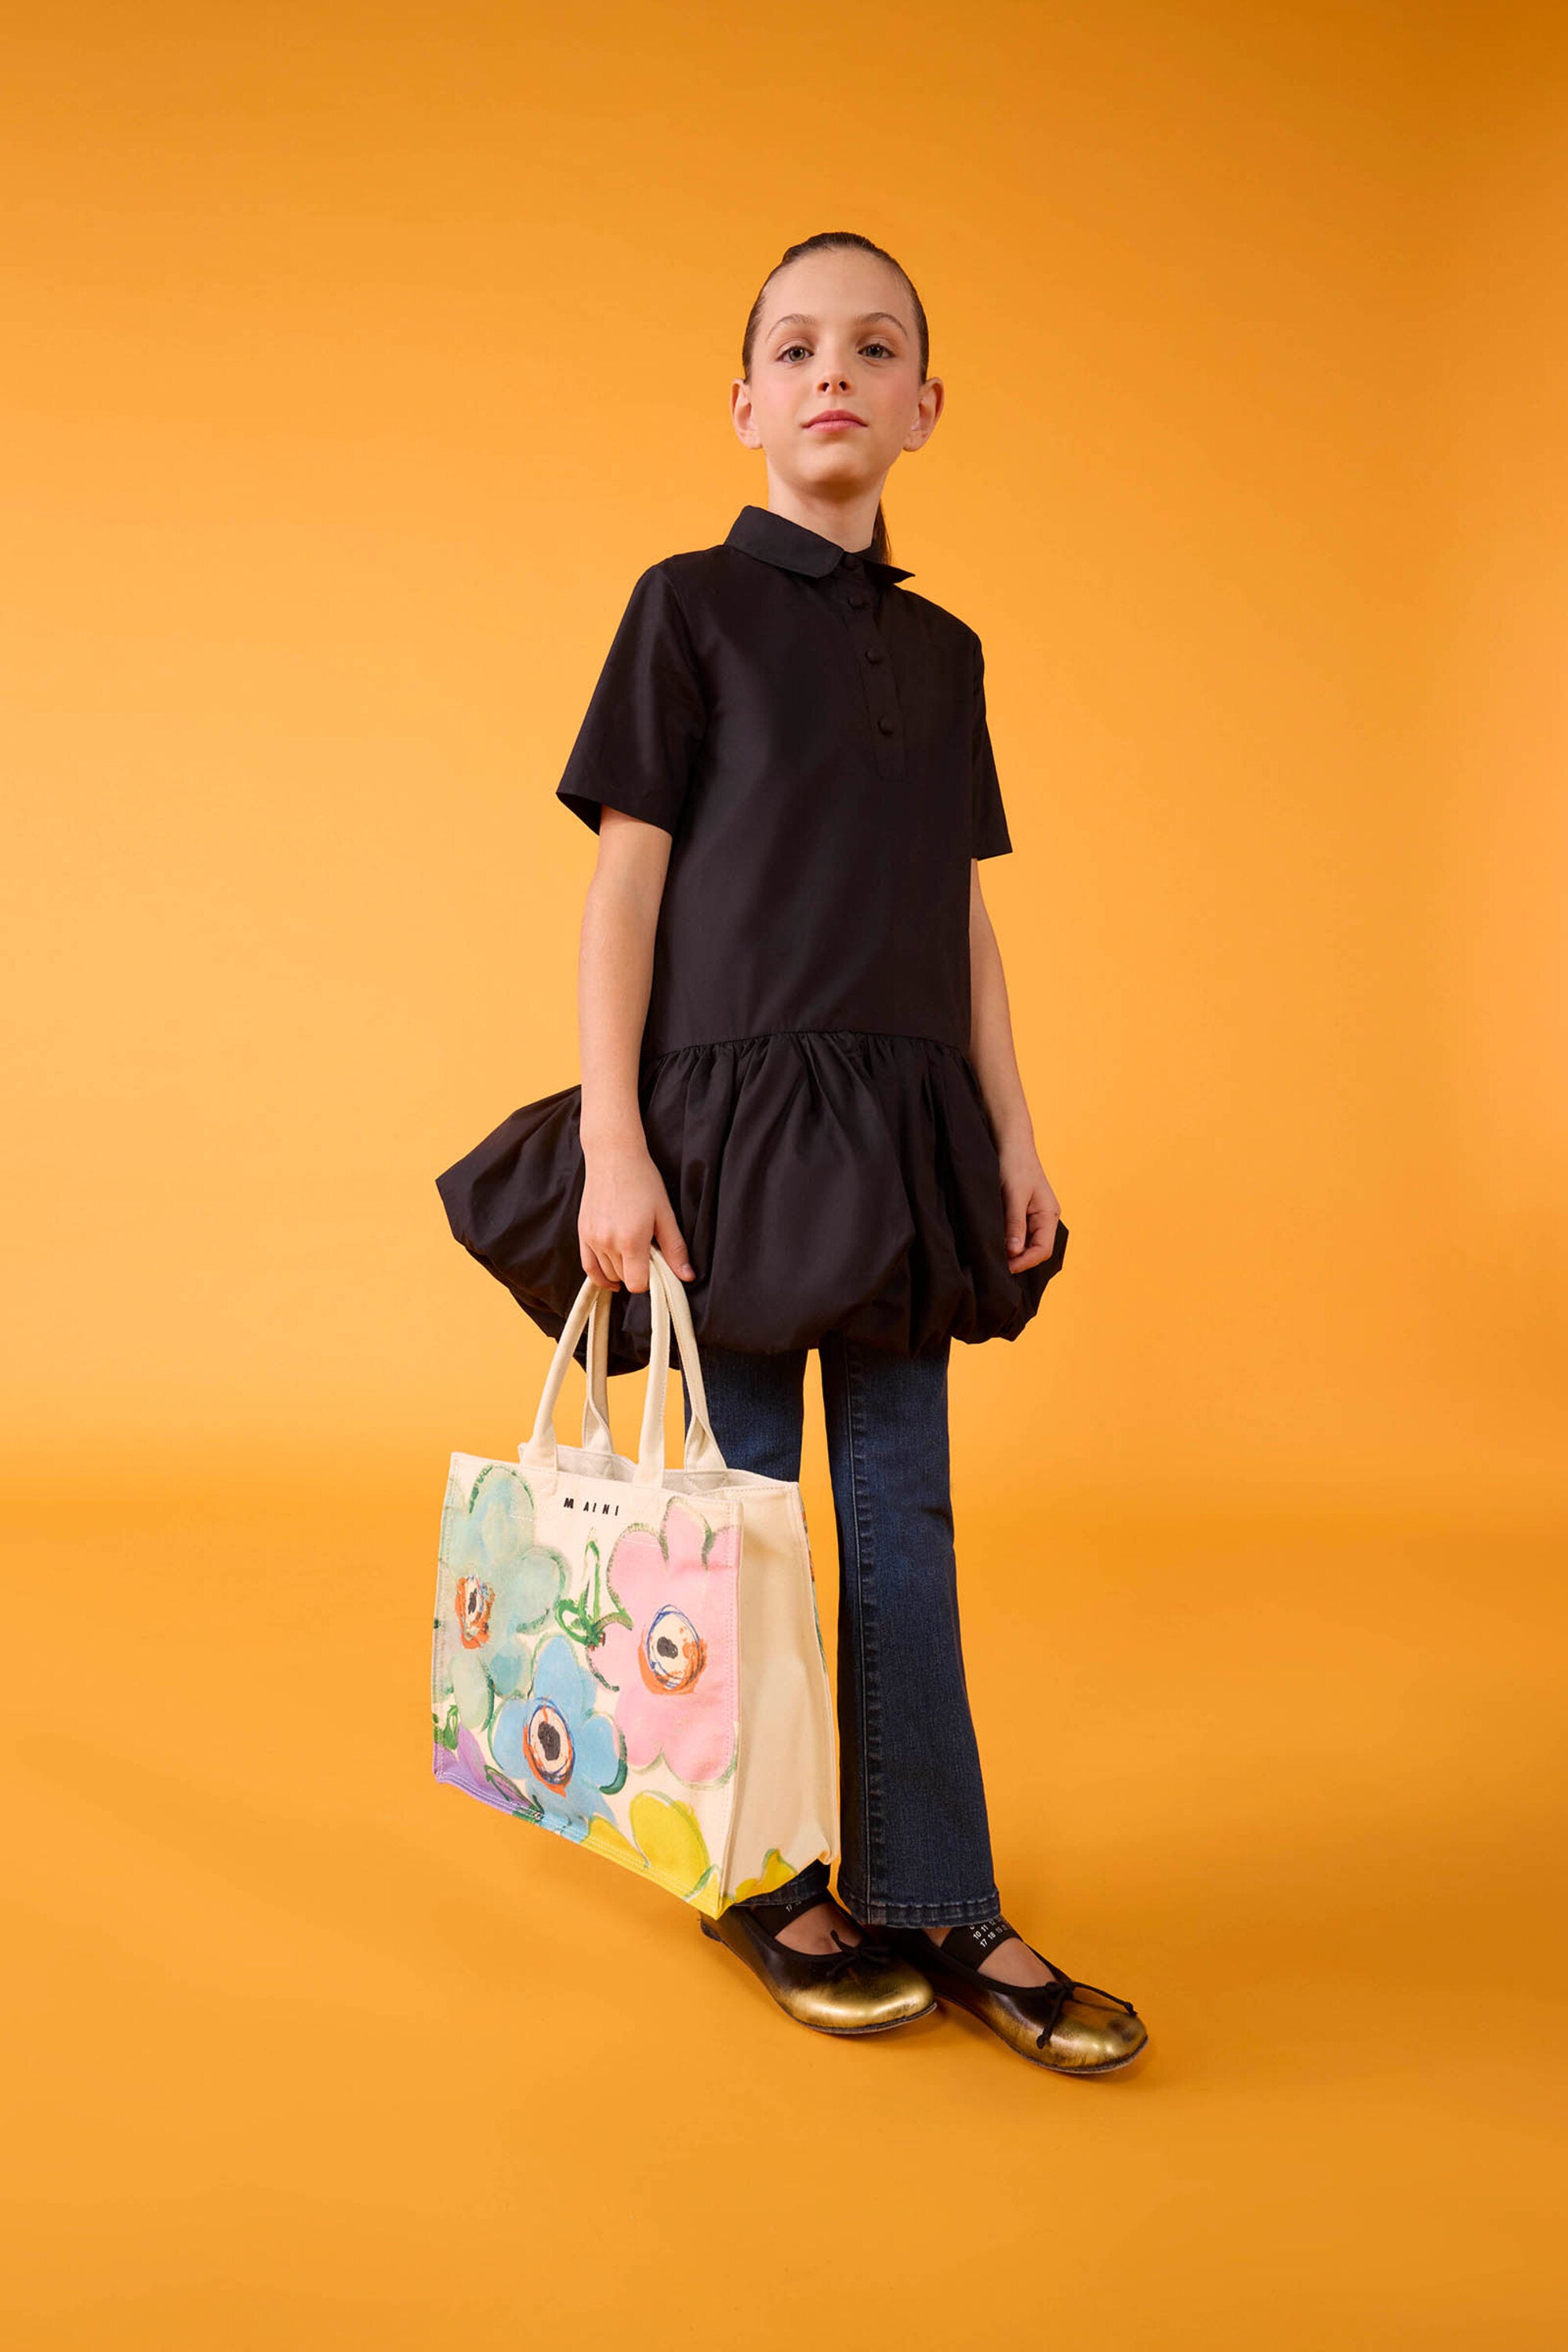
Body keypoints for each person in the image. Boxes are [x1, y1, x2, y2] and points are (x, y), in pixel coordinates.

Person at [444, 231, 1146, 2074]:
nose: (836, 371)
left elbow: (961, 918)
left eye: (875, 346)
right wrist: (614, 1140)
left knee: (902, 1521)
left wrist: (1014, 1130)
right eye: (798, 347)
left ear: (925, 405)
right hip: (730, 1145)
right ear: (746, 402)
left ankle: (936, 1893)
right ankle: (765, 1881)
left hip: (897, 1144)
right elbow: (625, 890)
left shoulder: (948, 654)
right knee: (740, 1529)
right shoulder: (685, 608)